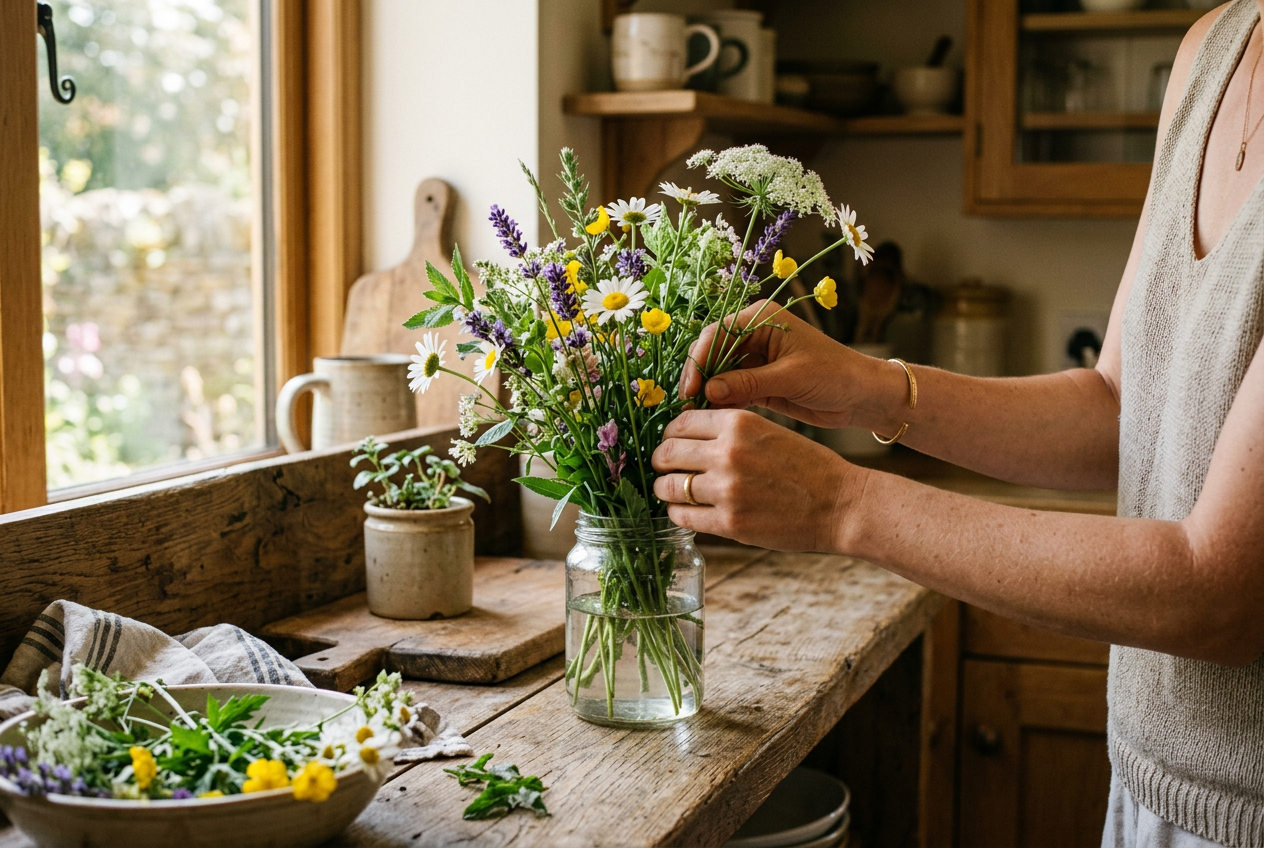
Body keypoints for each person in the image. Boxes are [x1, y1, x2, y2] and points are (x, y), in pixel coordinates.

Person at [651, 3, 1264, 846]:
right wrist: (867, 385)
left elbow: (1220, 594)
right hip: (1153, 780)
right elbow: (1120, 408)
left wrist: (840, 504)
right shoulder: (1213, 51)